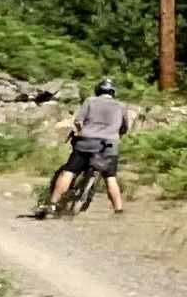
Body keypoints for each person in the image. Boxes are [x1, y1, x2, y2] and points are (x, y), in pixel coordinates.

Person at [39, 75, 131, 217]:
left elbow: (78, 121)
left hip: (86, 142)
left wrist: (81, 131)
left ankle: (52, 204)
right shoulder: (121, 106)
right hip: (108, 145)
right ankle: (118, 210)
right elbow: (124, 128)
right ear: (113, 92)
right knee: (110, 176)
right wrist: (116, 134)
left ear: (98, 90)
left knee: (69, 171)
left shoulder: (90, 101)